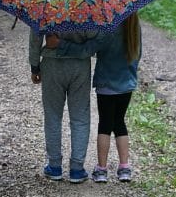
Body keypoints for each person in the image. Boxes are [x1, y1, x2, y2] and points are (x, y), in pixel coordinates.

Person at [45, 12, 141, 183]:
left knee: (105, 124)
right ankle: (124, 167)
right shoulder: (134, 27)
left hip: (106, 83)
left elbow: (87, 50)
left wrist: (60, 44)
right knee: (119, 122)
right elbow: (137, 55)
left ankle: (102, 169)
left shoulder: (107, 27)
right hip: (127, 83)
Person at [29, 28, 96, 183]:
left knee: (52, 115)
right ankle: (77, 169)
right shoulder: (88, 5)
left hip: (52, 64)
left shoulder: (43, 5)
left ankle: (54, 166)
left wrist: (34, 66)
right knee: (80, 116)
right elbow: (95, 38)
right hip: (80, 65)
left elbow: (35, 37)